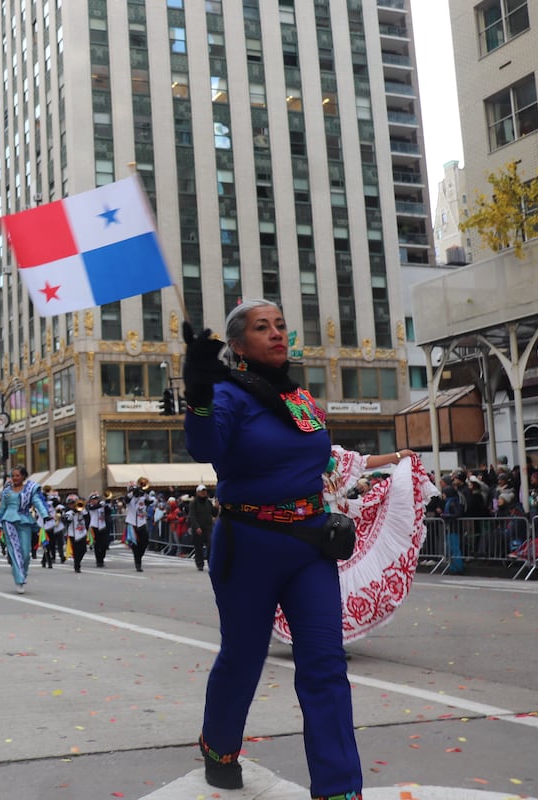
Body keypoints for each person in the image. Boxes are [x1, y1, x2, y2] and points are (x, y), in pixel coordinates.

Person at [181, 299, 361, 798]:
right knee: (243, 656)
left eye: (281, 325)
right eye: (263, 327)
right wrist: (196, 392)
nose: (278, 333)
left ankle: (340, 787)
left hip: (309, 546)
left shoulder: (299, 396)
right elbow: (206, 448)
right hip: (248, 546)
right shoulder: (227, 393)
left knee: (325, 664)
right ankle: (218, 746)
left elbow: (322, 460)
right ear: (238, 346)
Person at [0, 465, 53, 593]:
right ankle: (19, 580)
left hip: (25, 521)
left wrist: (45, 515)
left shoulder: (29, 490)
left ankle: (23, 574)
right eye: (13, 476)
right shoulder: (6, 492)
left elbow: (38, 502)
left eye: (17, 475)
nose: (15, 478)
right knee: (14, 550)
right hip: (9, 521)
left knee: (25, 552)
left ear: (23, 476)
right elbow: (1, 508)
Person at [187, 484, 215, 570]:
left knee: (210, 545)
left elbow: (214, 513)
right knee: (198, 547)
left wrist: (216, 507)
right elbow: (192, 516)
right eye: (202, 491)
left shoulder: (208, 502)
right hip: (198, 528)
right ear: (197, 492)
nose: (204, 493)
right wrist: (196, 527)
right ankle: (200, 563)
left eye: (205, 491)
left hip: (208, 528)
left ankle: (211, 563)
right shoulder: (194, 503)